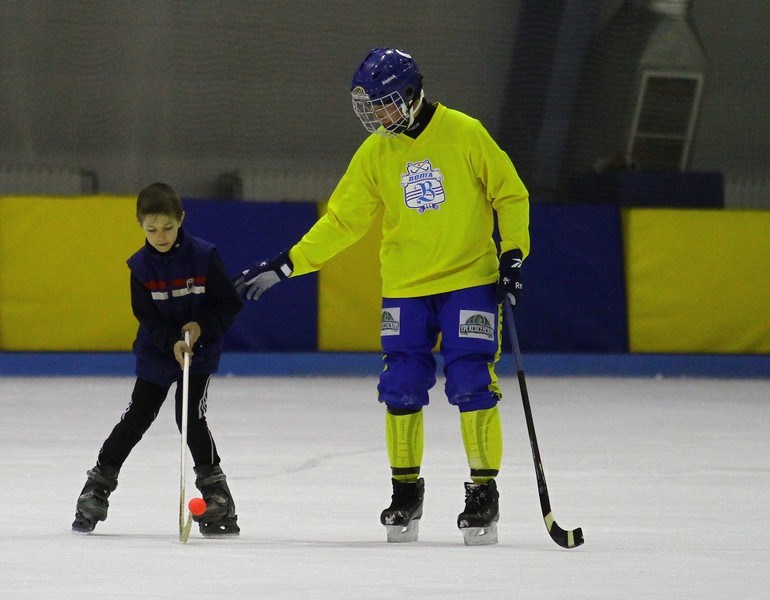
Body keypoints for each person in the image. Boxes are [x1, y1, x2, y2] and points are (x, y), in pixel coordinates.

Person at [235, 48, 530, 545]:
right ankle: (405, 491)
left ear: (412, 95)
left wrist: (514, 253)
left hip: (467, 280)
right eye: (371, 107)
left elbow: (510, 192)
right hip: (405, 286)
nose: (377, 116)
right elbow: (343, 220)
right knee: (401, 385)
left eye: (385, 104)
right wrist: (290, 263)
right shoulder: (375, 151)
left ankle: (483, 492)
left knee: (471, 379)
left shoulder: (465, 132)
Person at [72, 182, 243, 537]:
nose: (160, 235)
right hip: (157, 349)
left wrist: (201, 328)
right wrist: (170, 342)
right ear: (140, 226)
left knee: (190, 414)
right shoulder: (139, 267)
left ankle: (217, 495)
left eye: (167, 227)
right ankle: (97, 486)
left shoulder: (204, 255)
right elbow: (146, 317)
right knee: (138, 416)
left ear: (181, 219)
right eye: (151, 229)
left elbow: (228, 303)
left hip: (199, 350)